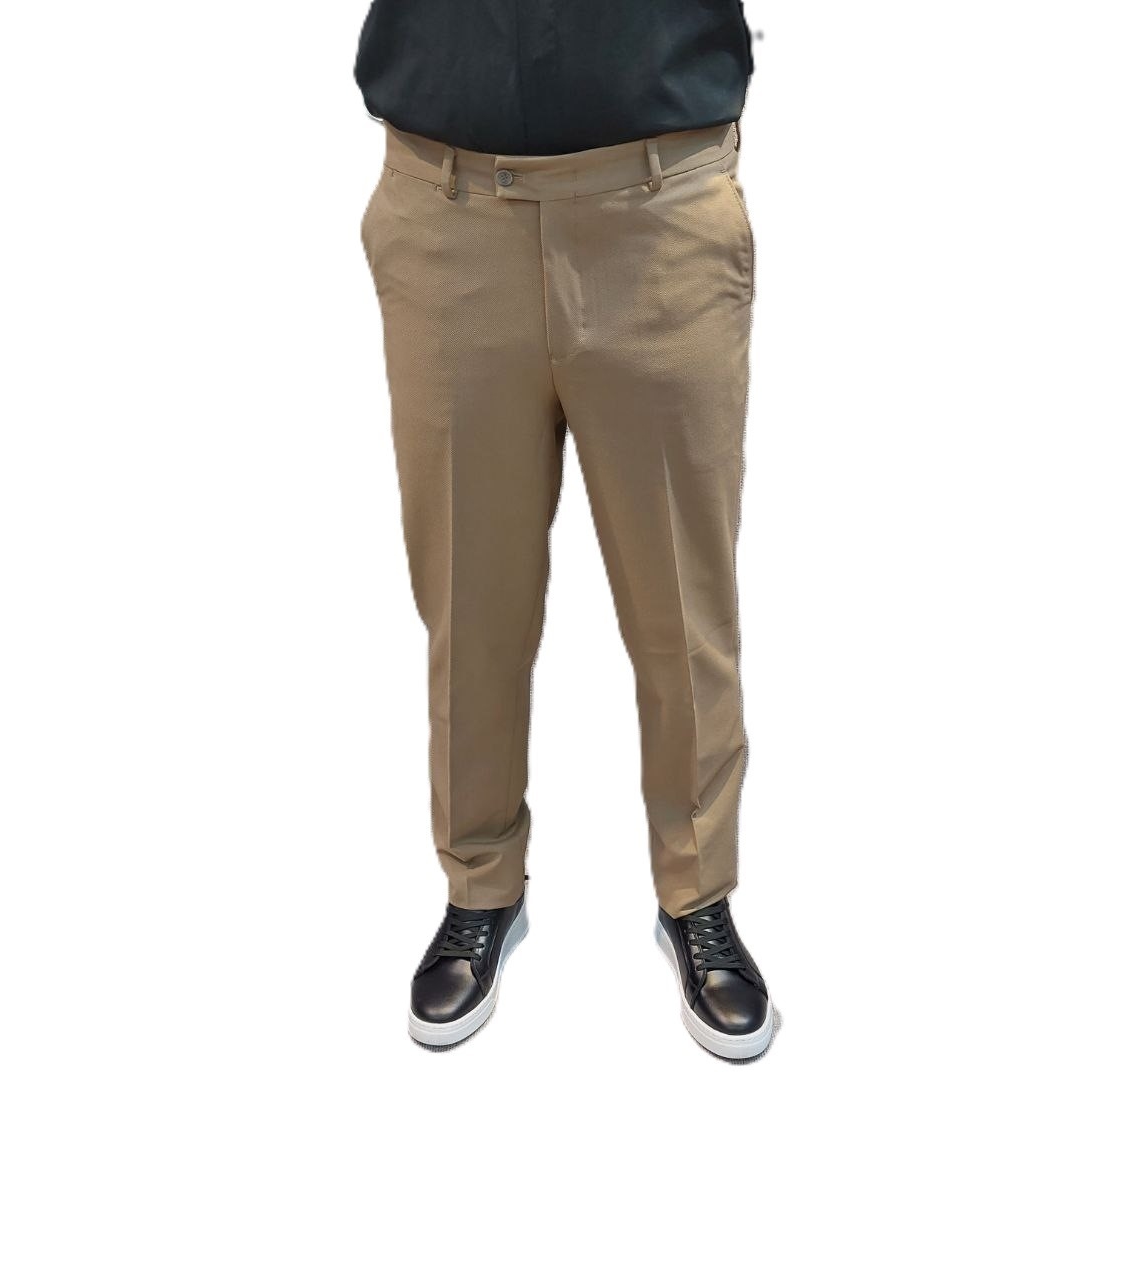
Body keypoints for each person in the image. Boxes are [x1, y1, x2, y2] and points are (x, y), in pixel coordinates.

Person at [354, 0, 775, 1060]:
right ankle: (479, 885)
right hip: (448, 210)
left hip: (658, 207)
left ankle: (697, 892)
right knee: (469, 597)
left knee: (682, 606)